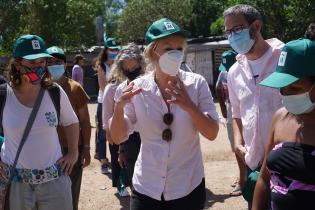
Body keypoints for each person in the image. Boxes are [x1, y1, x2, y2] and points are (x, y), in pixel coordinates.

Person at [110, 18, 219, 210]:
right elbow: (118, 136)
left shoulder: (196, 84)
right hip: (147, 187)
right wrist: (119, 109)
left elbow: (211, 133)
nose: (175, 54)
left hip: (187, 186)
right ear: (153, 52)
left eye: (179, 48)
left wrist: (189, 106)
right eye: (168, 49)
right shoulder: (137, 89)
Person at [0, 34, 79, 210]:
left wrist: (73, 152)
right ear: (17, 64)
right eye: (32, 62)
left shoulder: (54, 92)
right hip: (16, 183)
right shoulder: (4, 95)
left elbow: (72, 122)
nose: (38, 67)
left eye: (42, 61)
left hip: (54, 181)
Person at [223, 4, 284, 207]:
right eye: (228, 32)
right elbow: (237, 113)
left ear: (256, 26)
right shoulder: (233, 72)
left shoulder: (284, 59)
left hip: (285, 159)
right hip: (254, 161)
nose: (232, 36)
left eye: (237, 29)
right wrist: (238, 143)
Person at [252, 38, 315, 210]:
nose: (286, 96)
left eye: (294, 88)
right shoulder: (280, 117)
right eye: (282, 89)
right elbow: (264, 177)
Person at [47, 46, 91, 210]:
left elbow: (85, 121)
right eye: (49, 61)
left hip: (70, 149)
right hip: (48, 150)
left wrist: (85, 148)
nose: (53, 64)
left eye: (57, 61)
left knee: (71, 194)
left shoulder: (75, 88)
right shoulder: (39, 89)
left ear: (65, 65)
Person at [102, 42, 145, 197]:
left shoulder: (152, 85)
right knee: (136, 180)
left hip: (152, 138)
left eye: (134, 68)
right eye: (127, 69)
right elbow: (121, 122)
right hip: (132, 141)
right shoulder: (120, 90)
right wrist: (121, 150)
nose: (131, 72)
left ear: (142, 64)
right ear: (121, 69)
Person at [215, 49, 242, 196]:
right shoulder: (224, 72)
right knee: (237, 148)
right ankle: (242, 176)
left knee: (244, 147)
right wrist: (224, 111)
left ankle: (243, 180)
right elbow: (218, 87)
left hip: (243, 111)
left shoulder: (241, 71)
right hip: (232, 111)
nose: (225, 71)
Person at [94, 37, 120, 174]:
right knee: (103, 133)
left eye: (116, 49)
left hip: (117, 102)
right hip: (103, 102)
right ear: (106, 50)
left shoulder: (119, 64)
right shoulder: (101, 65)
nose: (114, 52)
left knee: (117, 131)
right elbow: (103, 87)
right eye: (112, 49)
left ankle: (117, 159)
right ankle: (103, 161)